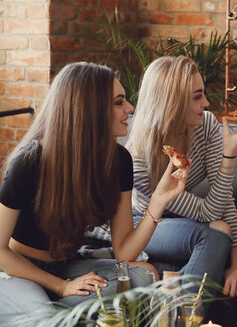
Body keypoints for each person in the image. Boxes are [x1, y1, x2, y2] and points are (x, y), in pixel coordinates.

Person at [0, 62, 189, 324]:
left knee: (141, 276)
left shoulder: (119, 160)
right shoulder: (30, 162)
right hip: (19, 269)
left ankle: (47, 315)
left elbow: (124, 251)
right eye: (119, 102)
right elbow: (0, 251)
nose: (130, 109)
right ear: (89, 110)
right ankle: (46, 314)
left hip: (67, 265)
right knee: (45, 319)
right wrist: (61, 287)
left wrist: (159, 200)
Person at [125, 56, 237, 307]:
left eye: (203, 94)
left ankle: (170, 280)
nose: (207, 103)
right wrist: (229, 157)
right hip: (147, 224)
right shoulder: (138, 160)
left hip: (187, 218)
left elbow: (223, 196)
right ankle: (184, 318)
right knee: (219, 232)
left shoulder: (206, 124)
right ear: (172, 102)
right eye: (197, 96)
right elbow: (209, 211)